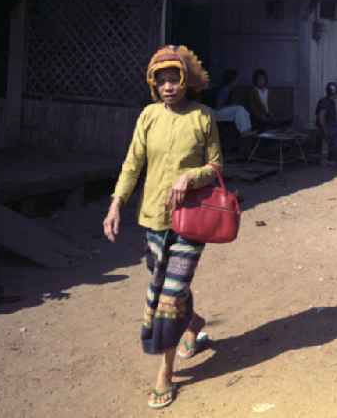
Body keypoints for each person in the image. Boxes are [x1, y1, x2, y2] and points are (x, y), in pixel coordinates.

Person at [103, 45, 223, 410]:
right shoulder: (148, 116)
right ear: (154, 85)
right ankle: (194, 322)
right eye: (162, 81)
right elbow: (132, 163)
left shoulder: (204, 117)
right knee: (162, 283)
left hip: (192, 219)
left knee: (171, 294)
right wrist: (116, 204)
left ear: (186, 82)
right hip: (153, 218)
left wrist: (191, 176)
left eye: (175, 80)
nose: (169, 86)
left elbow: (216, 167)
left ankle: (165, 372)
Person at [214, 68, 252, 134]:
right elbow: (218, 107)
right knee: (239, 109)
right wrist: (231, 106)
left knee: (242, 109)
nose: (238, 81)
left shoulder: (230, 89)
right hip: (216, 113)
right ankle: (244, 131)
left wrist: (232, 105)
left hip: (222, 111)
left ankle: (248, 130)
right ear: (232, 80)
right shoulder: (225, 89)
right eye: (237, 79)